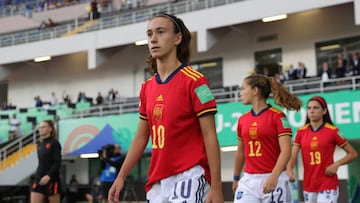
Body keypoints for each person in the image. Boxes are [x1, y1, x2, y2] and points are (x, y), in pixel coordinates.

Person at [108, 13, 224, 203]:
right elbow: (140, 138)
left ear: (177, 38)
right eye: (149, 34)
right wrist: (121, 176)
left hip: (191, 174)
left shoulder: (197, 82)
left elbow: (210, 135)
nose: (153, 39)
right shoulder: (146, 88)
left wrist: (217, 186)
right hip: (158, 180)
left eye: (161, 32)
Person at [232, 74, 302, 203]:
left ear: (255, 91)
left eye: (243, 88)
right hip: (248, 181)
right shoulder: (242, 119)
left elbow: (286, 151)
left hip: (275, 179)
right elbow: (240, 153)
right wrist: (236, 178)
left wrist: (274, 176)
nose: (240, 93)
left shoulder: (278, 117)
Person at [286, 96, 358, 203]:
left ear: (324, 111)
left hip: (328, 183)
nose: (312, 111)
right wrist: (290, 168)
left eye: (315, 108)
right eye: (309, 108)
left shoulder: (333, 131)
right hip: (309, 184)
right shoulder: (300, 132)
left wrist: (337, 164)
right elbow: (293, 154)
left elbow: (353, 153)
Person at [31, 120, 62, 203]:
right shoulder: (39, 144)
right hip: (39, 177)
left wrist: (49, 176)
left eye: (43, 127)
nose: (41, 129)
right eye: (40, 127)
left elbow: (57, 162)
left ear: (50, 129)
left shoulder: (54, 143)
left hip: (52, 179)